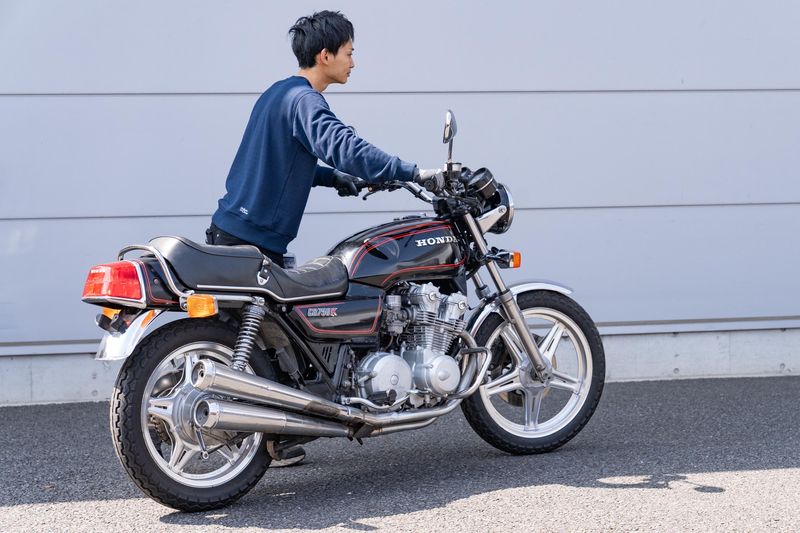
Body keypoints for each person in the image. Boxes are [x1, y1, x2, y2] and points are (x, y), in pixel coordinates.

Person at [206, 10, 441, 467]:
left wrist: (337, 180)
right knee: (281, 343)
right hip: (253, 242)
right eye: (350, 53)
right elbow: (344, 146)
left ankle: (275, 440)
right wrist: (410, 171)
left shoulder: (278, 93)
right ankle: (274, 433)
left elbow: (290, 158)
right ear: (325, 55)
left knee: (275, 346)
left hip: (233, 231)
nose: (355, 61)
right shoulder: (305, 101)